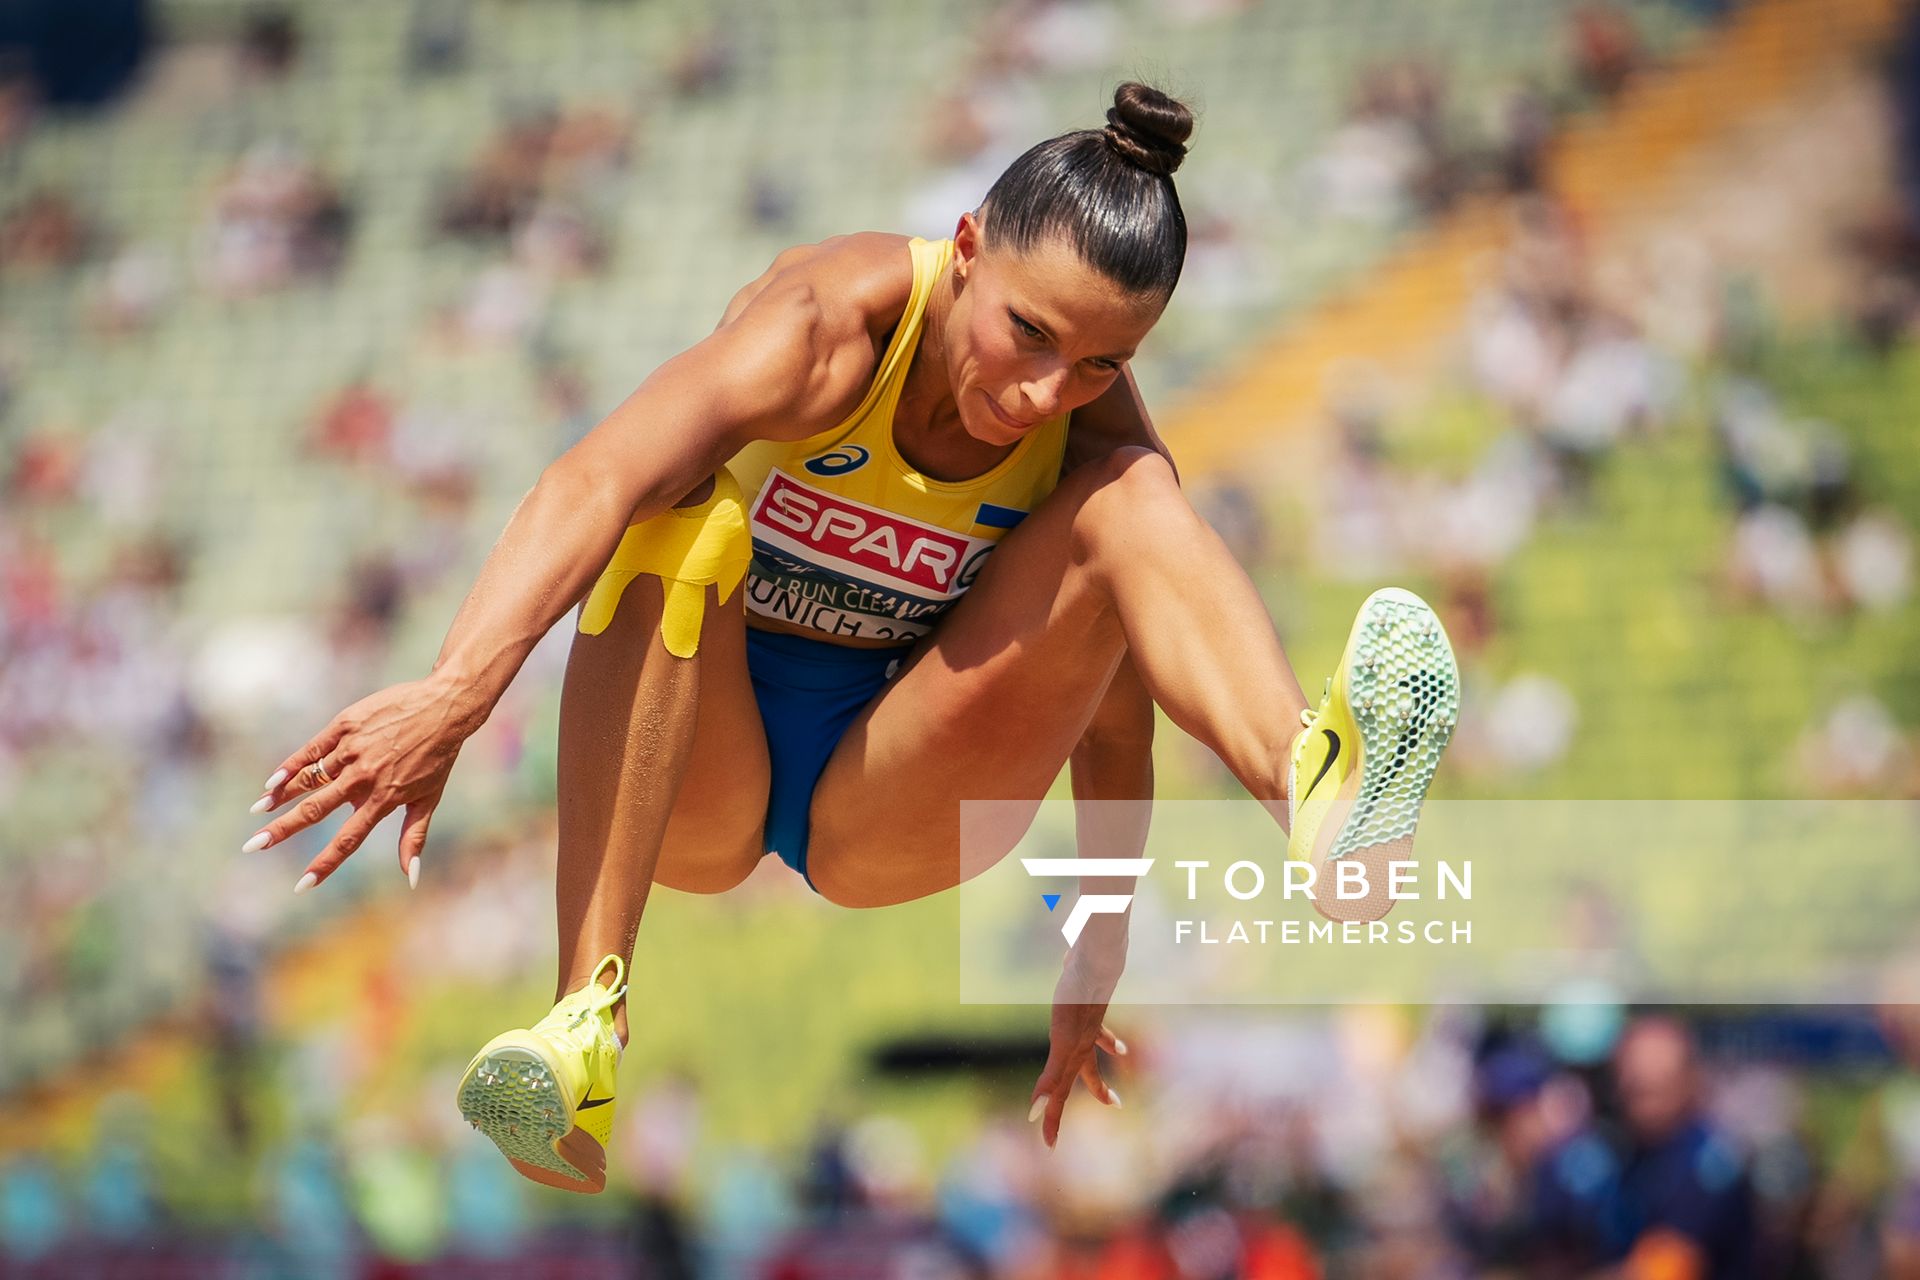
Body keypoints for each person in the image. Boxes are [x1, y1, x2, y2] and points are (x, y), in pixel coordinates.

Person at [240, 83, 1460, 1194]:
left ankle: (1312, 787)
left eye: (1099, 363)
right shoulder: (825, 331)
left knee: (1140, 497)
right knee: (680, 500)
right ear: (967, 249)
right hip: (693, 767)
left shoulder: (1092, 443)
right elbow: (590, 475)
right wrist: (459, 691)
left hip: (892, 787)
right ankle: (583, 1022)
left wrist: (1096, 952)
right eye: (1028, 333)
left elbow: (1110, 703)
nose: (1044, 393)